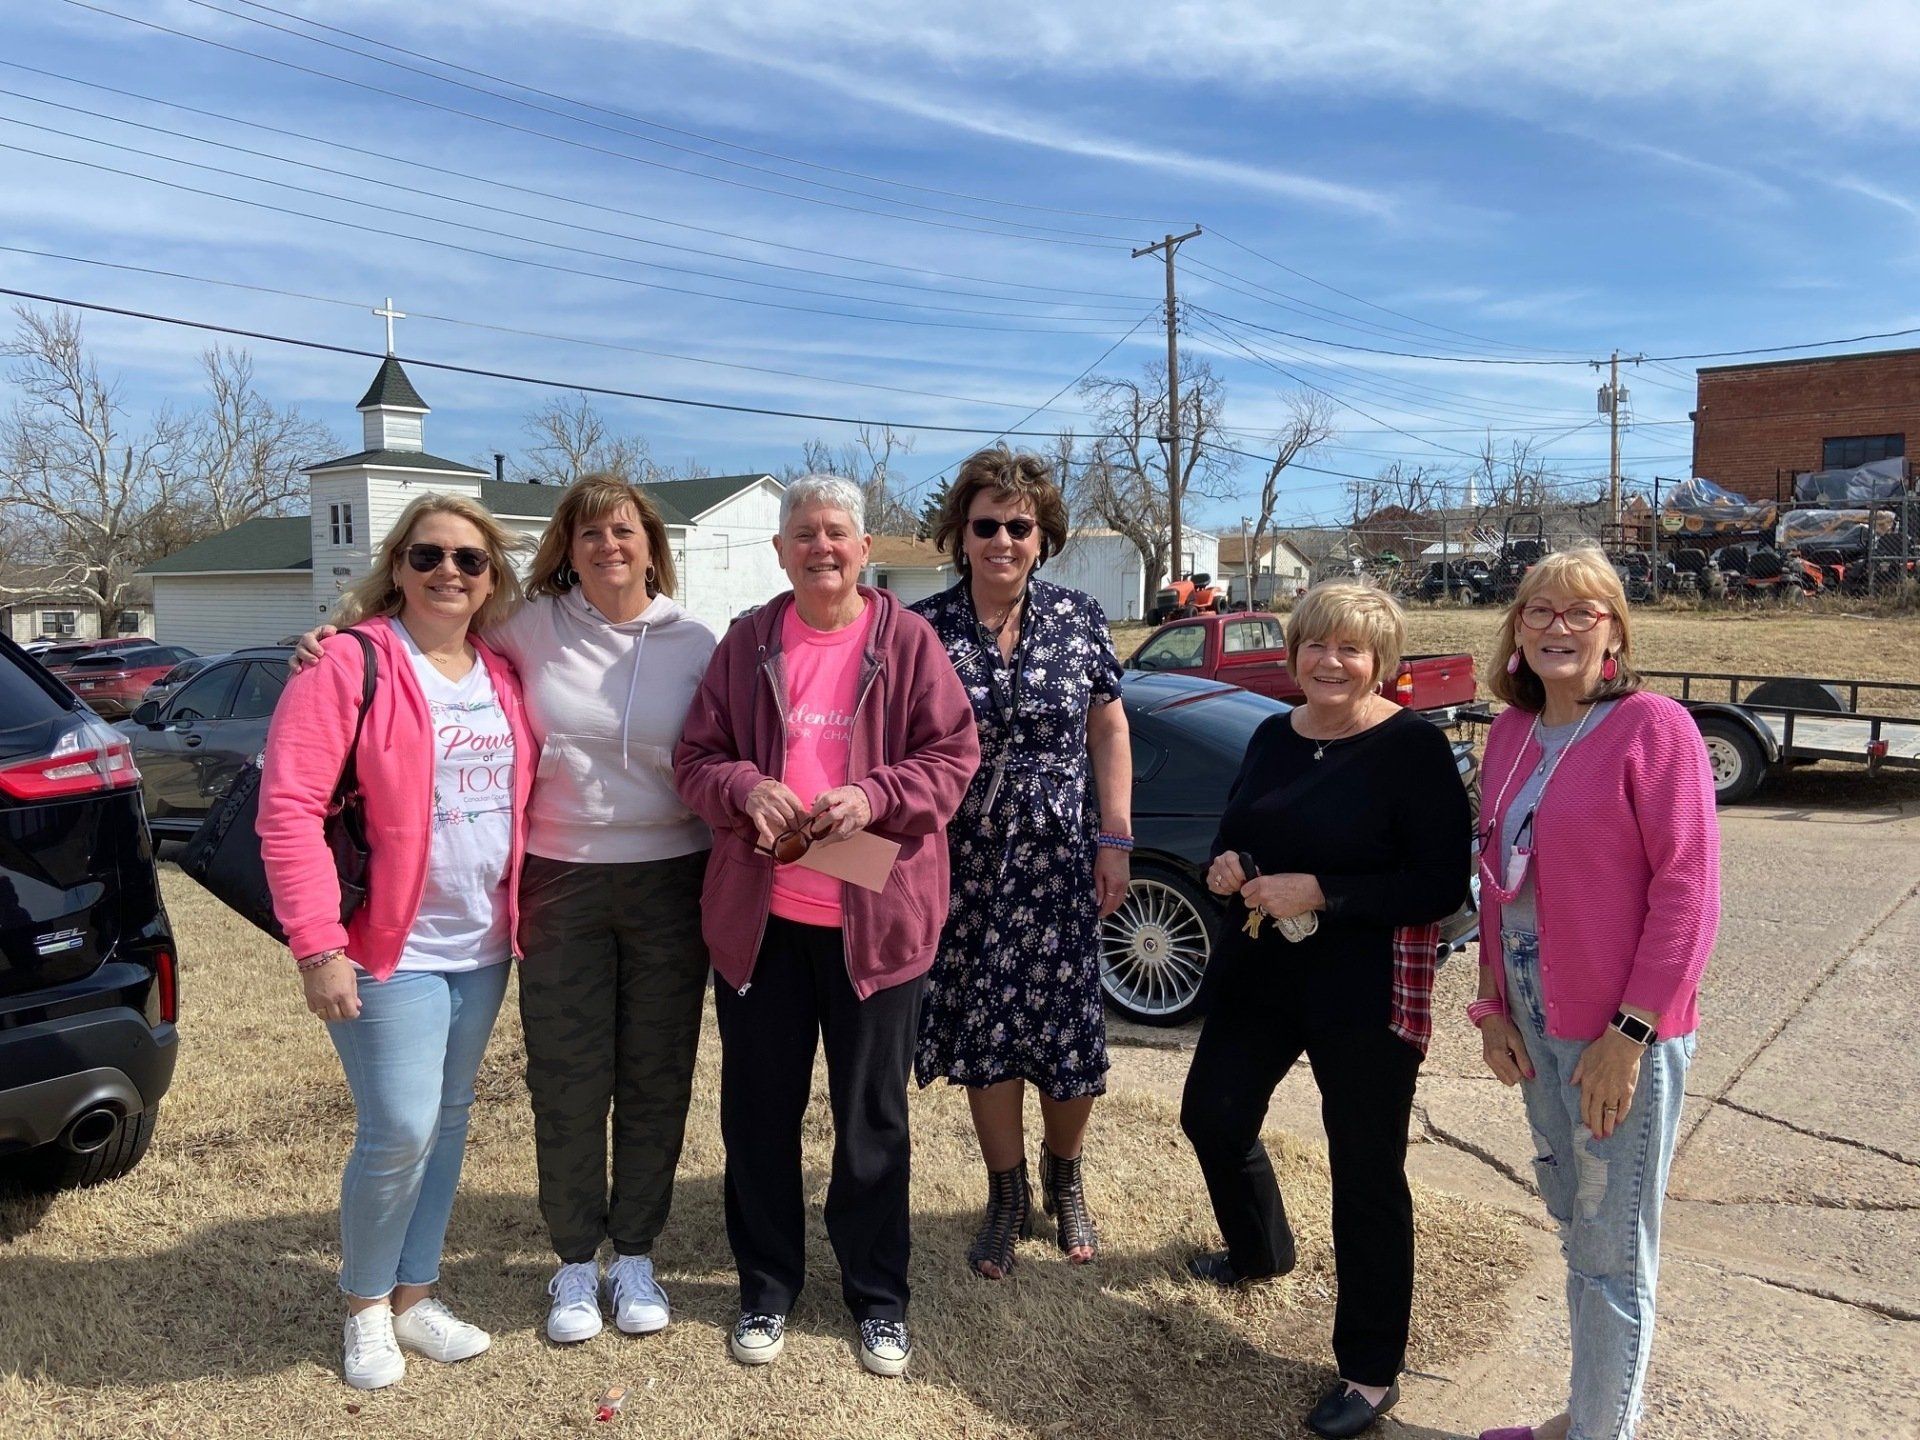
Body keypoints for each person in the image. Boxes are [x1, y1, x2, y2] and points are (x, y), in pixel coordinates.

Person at [292, 474, 717, 1347]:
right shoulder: (525, 627)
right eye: (590, 532)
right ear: (566, 545)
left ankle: (633, 1254)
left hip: (672, 878)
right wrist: (326, 639)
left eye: (625, 531)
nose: (609, 547)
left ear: (651, 544)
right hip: (558, 879)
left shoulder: (696, 642)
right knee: (564, 1079)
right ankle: (571, 1261)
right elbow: (414, 638)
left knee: (655, 1074)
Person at [674, 474, 978, 1378]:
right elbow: (694, 760)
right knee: (758, 1115)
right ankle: (766, 1286)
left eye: (836, 533)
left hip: (875, 927)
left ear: (863, 546)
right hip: (761, 922)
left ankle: (879, 1297)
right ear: (780, 551)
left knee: (871, 1120)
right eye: (803, 533)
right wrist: (742, 788)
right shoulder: (747, 642)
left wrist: (872, 794)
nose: (821, 548)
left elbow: (953, 759)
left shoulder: (909, 640)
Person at [1179, 581, 1470, 1440]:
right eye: (1315, 646)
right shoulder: (1274, 733)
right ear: (1294, 653)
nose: (1330, 663)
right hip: (1261, 975)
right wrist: (1227, 864)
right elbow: (1236, 832)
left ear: (1379, 661)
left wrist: (1328, 892)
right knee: (1213, 1118)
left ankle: (1371, 1372)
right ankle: (1261, 1250)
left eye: (1350, 650)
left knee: (1366, 1175)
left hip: (1364, 988)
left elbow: (1440, 885)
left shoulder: (1412, 749)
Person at [260, 493, 533, 1390]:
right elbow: (290, 807)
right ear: (398, 565)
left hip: (482, 942)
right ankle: (365, 1306)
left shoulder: (501, 670)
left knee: (448, 1122)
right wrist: (316, 944)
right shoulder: (348, 662)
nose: (449, 572)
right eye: (428, 556)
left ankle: (416, 1296)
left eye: (469, 559)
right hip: (387, 944)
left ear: (493, 576)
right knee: (399, 1128)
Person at [1469, 550, 1718, 1440]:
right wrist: (1492, 1003)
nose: (1557, 628)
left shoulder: (1653, 727)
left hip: (1620, 1024)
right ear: (1516, 630)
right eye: (1538, 611)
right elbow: (1495, 876)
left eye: (1581, 612)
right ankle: (1587, 1417)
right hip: (1535, 1011)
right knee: (1581, 1234)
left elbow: (1688, 890)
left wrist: (1631, 1032)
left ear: (1614, 630)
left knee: (1614, 1257)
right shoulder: (1510, 735)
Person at [910, 445, 1130, 1278]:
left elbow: (1107, 727)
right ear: (960, 534)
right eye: (986, 525)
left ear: (1044, 537)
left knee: (1068, 1027)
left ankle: (1063, 1174)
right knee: (986, 1028)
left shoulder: (1079, 617)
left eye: (1020, 526)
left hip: (1061, 856)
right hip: (965, 861)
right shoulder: (924, 628)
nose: (1003, 539)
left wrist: (1115, 835)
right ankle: (1005, 1192)